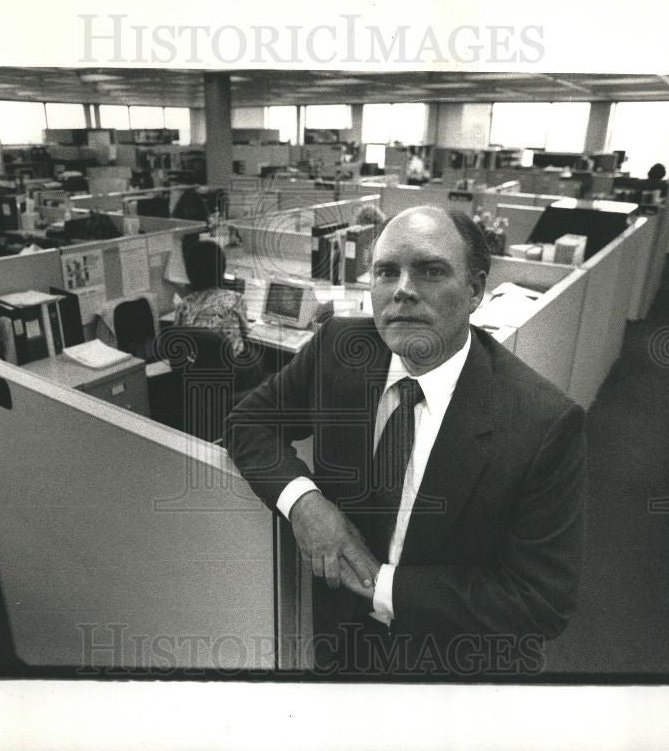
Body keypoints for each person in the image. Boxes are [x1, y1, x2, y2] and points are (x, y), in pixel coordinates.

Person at [226, 206, 586, 677]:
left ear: (476, 289)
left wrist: (383, 587)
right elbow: (248, 422)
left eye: (431, 271)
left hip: (452, 663)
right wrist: (305, 502)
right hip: (338, 638)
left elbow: (540, 601)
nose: (403, 290)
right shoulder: (339, 348)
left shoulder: (542, 422)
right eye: (386, 272)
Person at [174, 240, 250, 356]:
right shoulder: (236, 299)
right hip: (231, 366)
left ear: (190, 271)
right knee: (257, 358)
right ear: (222, 268)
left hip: (196, 366)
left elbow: (178, 339)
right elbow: (245, 332)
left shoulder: (183, 305)